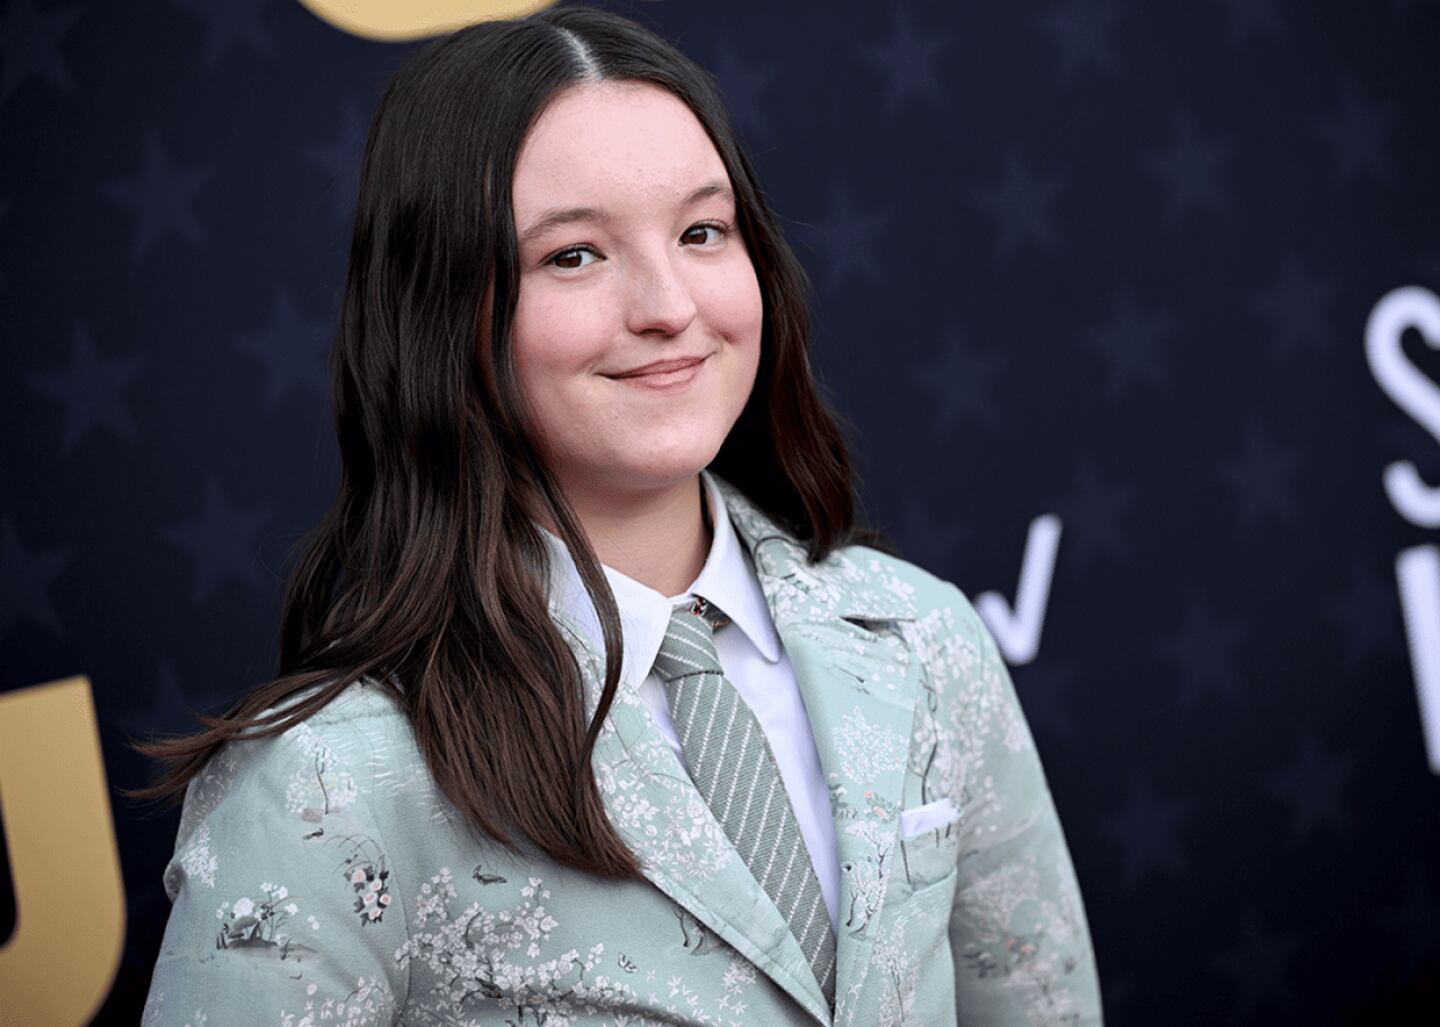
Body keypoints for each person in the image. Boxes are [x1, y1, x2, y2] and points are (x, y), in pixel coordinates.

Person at [136, 7, 1102, 1025]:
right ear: (440, 311)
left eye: (701, 232)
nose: (668, 306)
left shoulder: (924, 640)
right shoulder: (324, 780)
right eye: (574, 255)